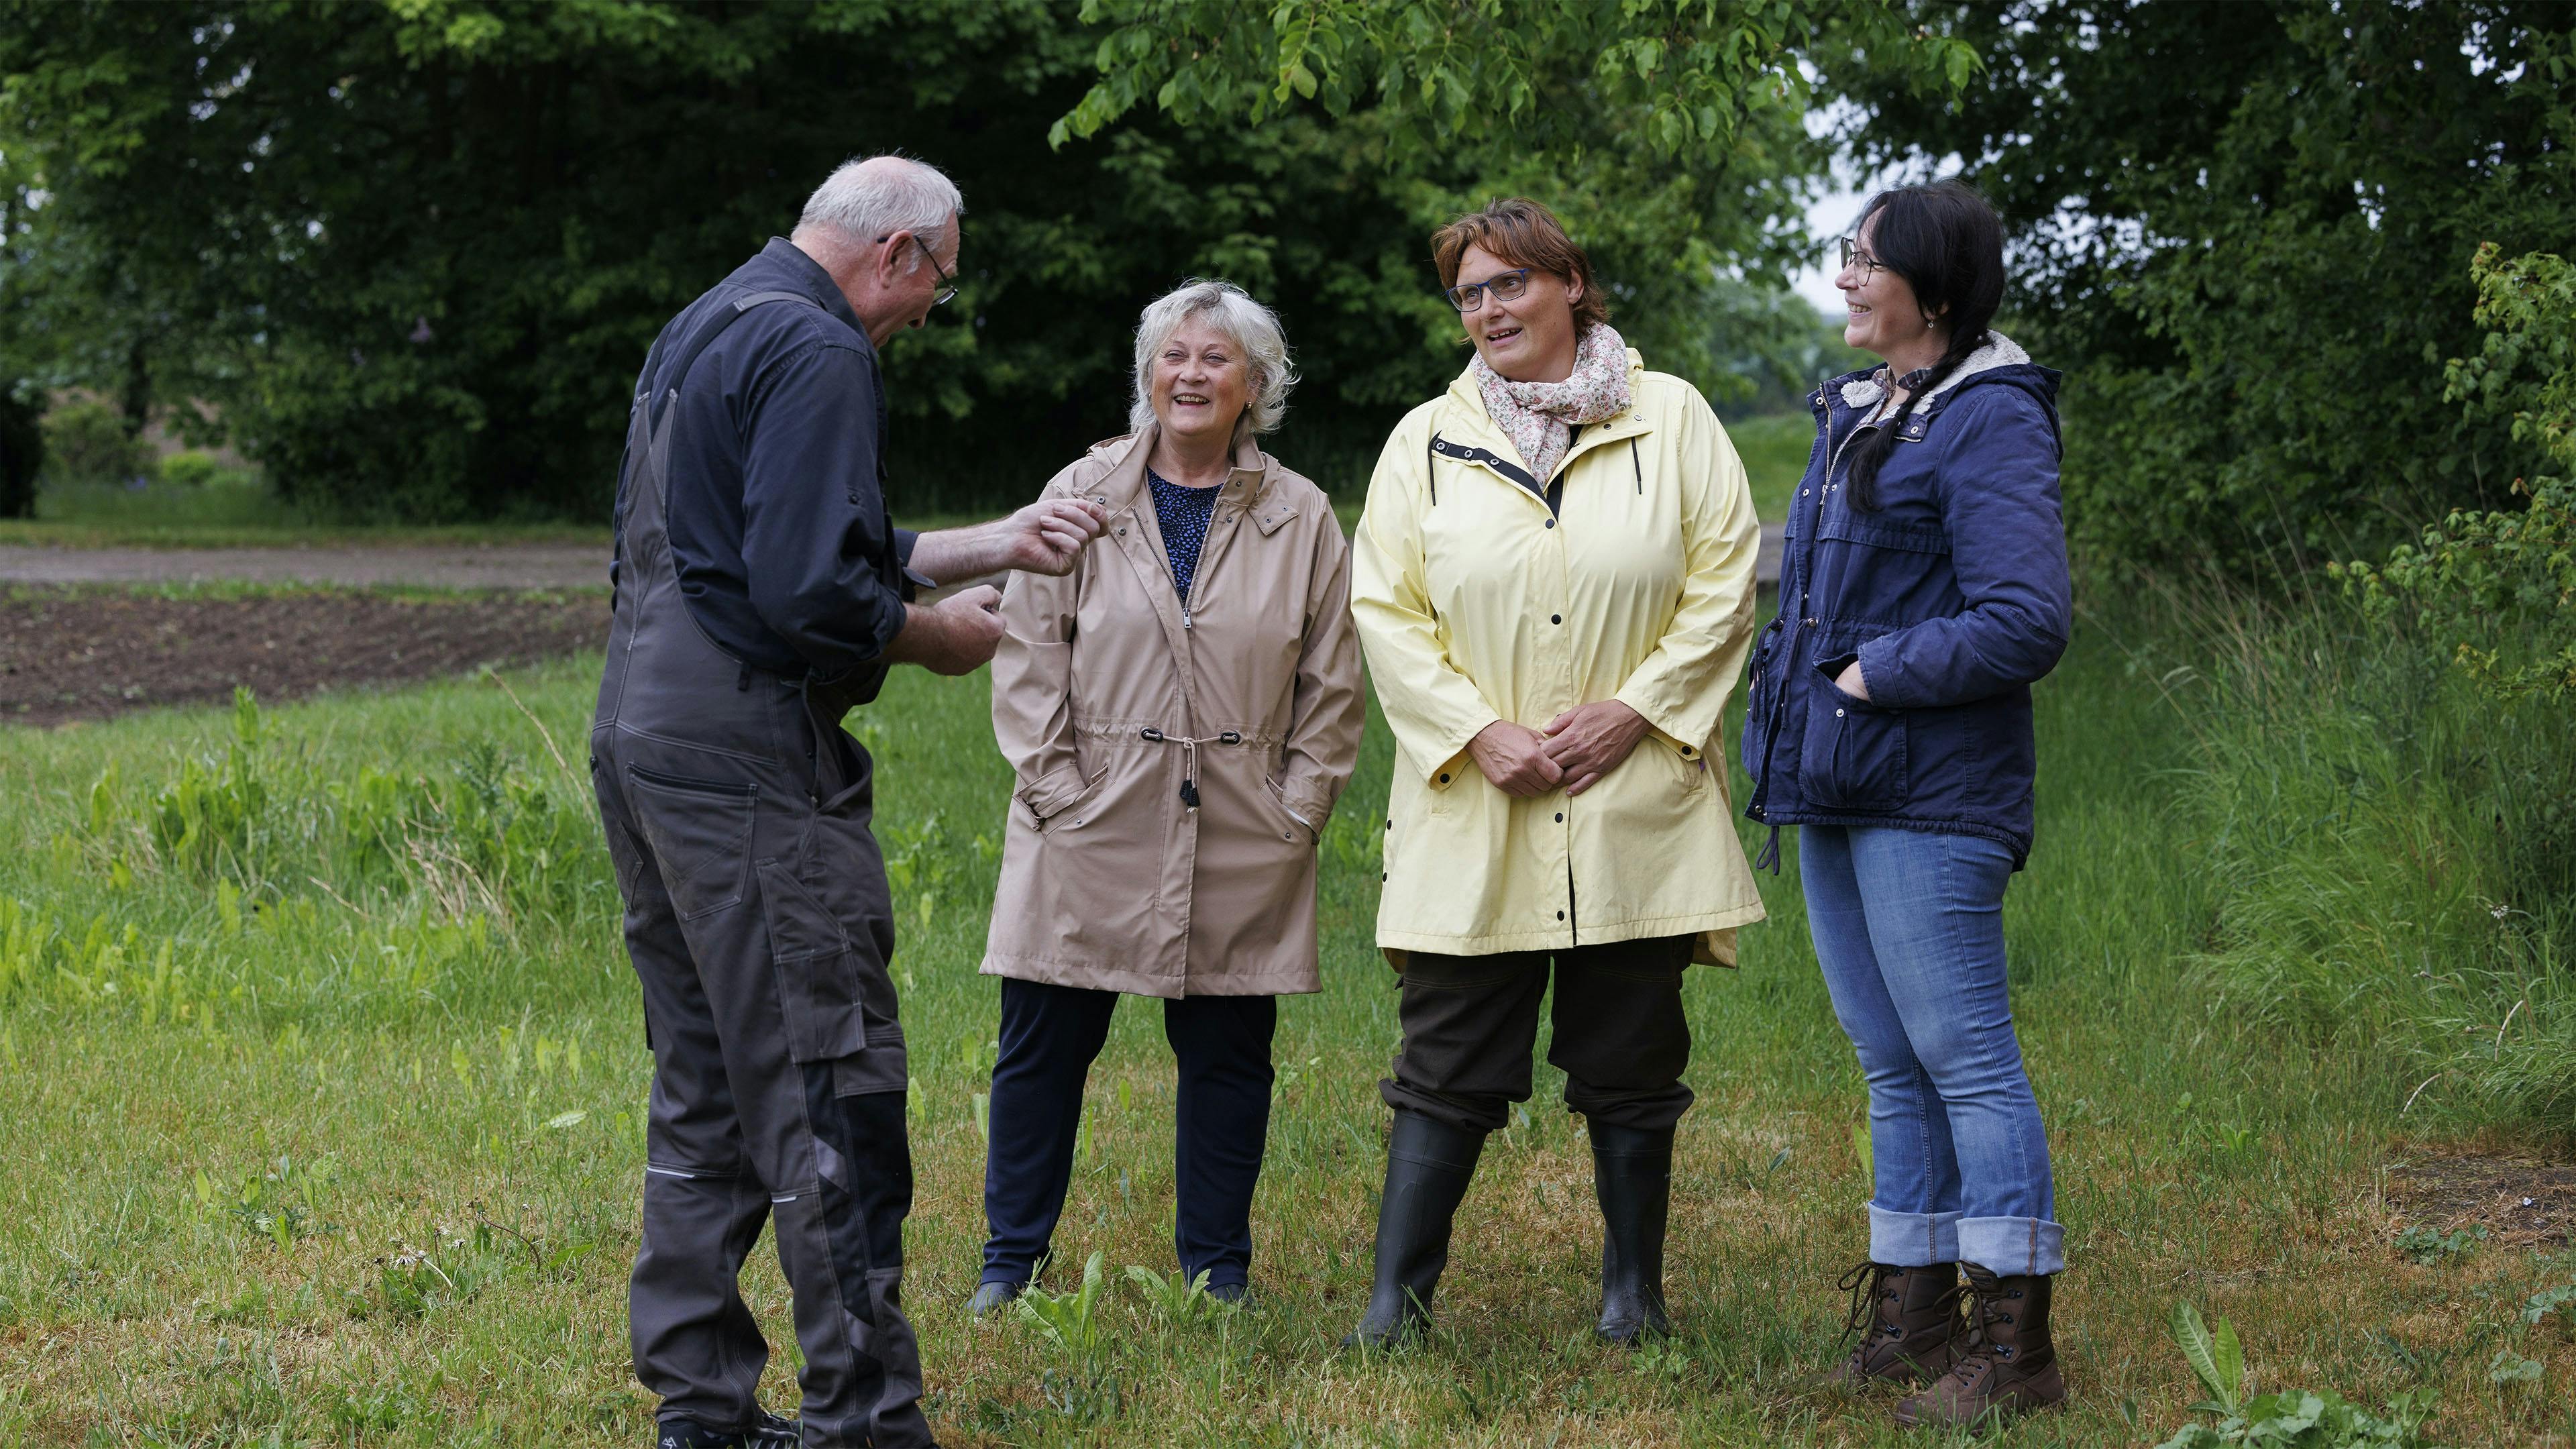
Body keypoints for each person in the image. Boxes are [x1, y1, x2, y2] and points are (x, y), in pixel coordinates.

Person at [589, 155, 1108, 1449]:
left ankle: (702, 1410)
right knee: (830, 1080)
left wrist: (991, 542)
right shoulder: (822, 351)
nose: (932, 311)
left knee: (706, 1077)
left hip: (644, 732)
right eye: (940, 282)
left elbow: (754, 538)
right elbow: (811, 593)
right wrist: (929, 639)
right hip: (749, 759)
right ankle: (866, 1414)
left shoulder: (712, 319)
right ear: (901, 256)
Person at [1345, 199, 1766, 1348]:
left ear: (1570, 283)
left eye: (1510, 284)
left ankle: (1635, 1297)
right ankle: (1397, 1307)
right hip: (1477, 796)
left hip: (1632, 794)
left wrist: (1638, 710)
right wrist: (1478, 733)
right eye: (1469, 294)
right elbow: (1385, 609)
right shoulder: (1422, 441)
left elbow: (1724, 585)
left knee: (1632, 1055)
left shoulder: (1672, 417)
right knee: (1445, 1055)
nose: (1488, 310)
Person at [1737, 178, 2072, 1427]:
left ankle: (2016, 1351)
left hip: (1932, 793)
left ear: (1931, 288)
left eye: (1863, 259)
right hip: (1836, 782)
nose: (1842, 277)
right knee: (1891, 1063)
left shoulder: (1988, 417)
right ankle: (1912, 1322)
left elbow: (2025, 618)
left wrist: (1874, 674)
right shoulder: (1863, 413)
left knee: (1965, 1058)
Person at [973, 279, 1363, 1313]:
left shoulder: (1302, 514)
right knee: (1043, 1049)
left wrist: (1301, 807)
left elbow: (1334, 680)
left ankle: (1216, 1274)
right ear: (1149, 375)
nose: (1190, 375)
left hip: (1246, 821)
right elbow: (1025, 653)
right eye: (1173, 356)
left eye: (1216, 359)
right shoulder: (1080, 491)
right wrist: (1057, 788)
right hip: (1086, 812)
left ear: (1256, 386)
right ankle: (1010, 1264)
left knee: (1231, 1058)